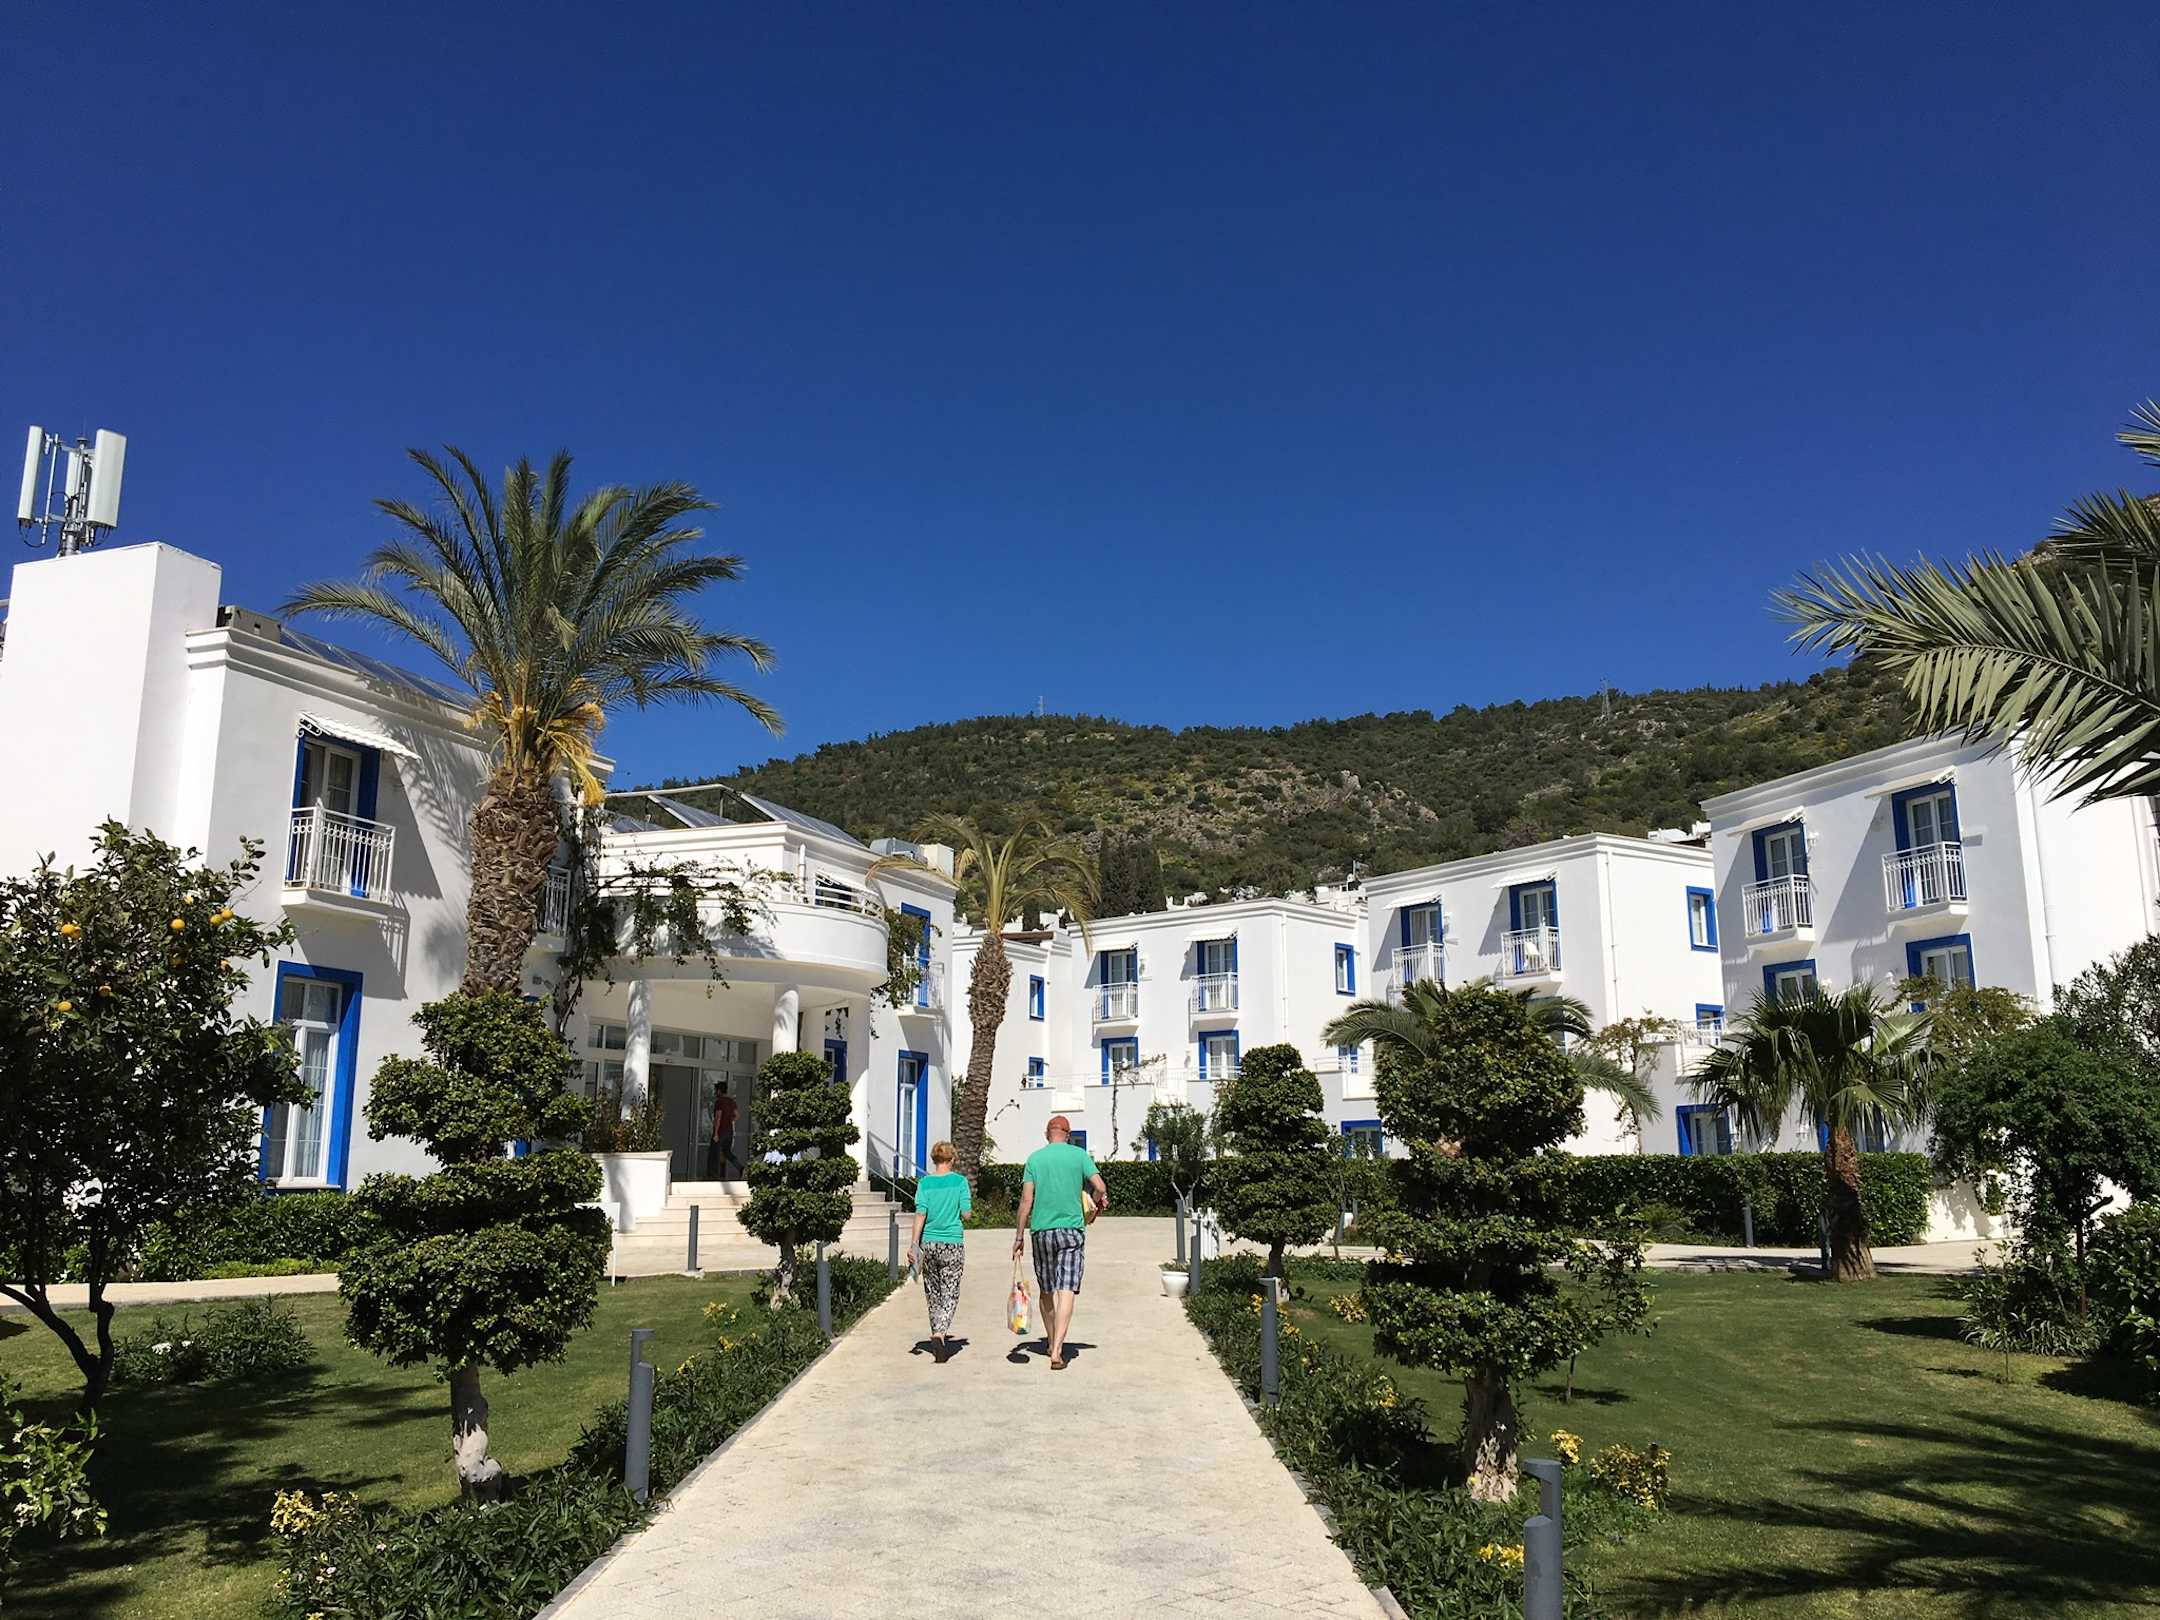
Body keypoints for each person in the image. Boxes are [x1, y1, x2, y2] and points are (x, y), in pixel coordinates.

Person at [1012, 1115, 1107, 1369]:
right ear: (1068, 1134)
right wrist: (1094, 1203)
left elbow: (1026, 1201)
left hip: (1041, 1231)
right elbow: (1100, 1186)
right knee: (1066, 1289)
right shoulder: (1079, 1156)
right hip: (1071, 1231)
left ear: (1047, 1134)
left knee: (1047, 1290)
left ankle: (1052, 1339)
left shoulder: (1034, 1159)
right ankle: (1056, 1351)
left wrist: (1019, 1237)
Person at [907, 1140, 971, 1362]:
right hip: (952, 1242)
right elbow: (967, 1214)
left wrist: (914, 1244)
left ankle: (937, 1332)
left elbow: (920, 1214)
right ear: (952, 1159)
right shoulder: (960, 1182)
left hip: (929, 1243)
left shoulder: (925, 1184)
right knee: (950, 1291)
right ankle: (940, 1332)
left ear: (934, 1160)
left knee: (933, 1292)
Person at [707, 1085, 740, 1179]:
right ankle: (740, 1168)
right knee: (727, 1152)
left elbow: (718, 1117)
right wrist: (729, 1120)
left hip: (721, 1131)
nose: (715, 1092)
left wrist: (716, 1133)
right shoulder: (731, 1101)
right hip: (729, 1131)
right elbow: (737, 1116)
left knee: (714, 1152)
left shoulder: (720, 1102)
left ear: (719, 1091)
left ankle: (714, 1174)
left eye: (716, 1090)